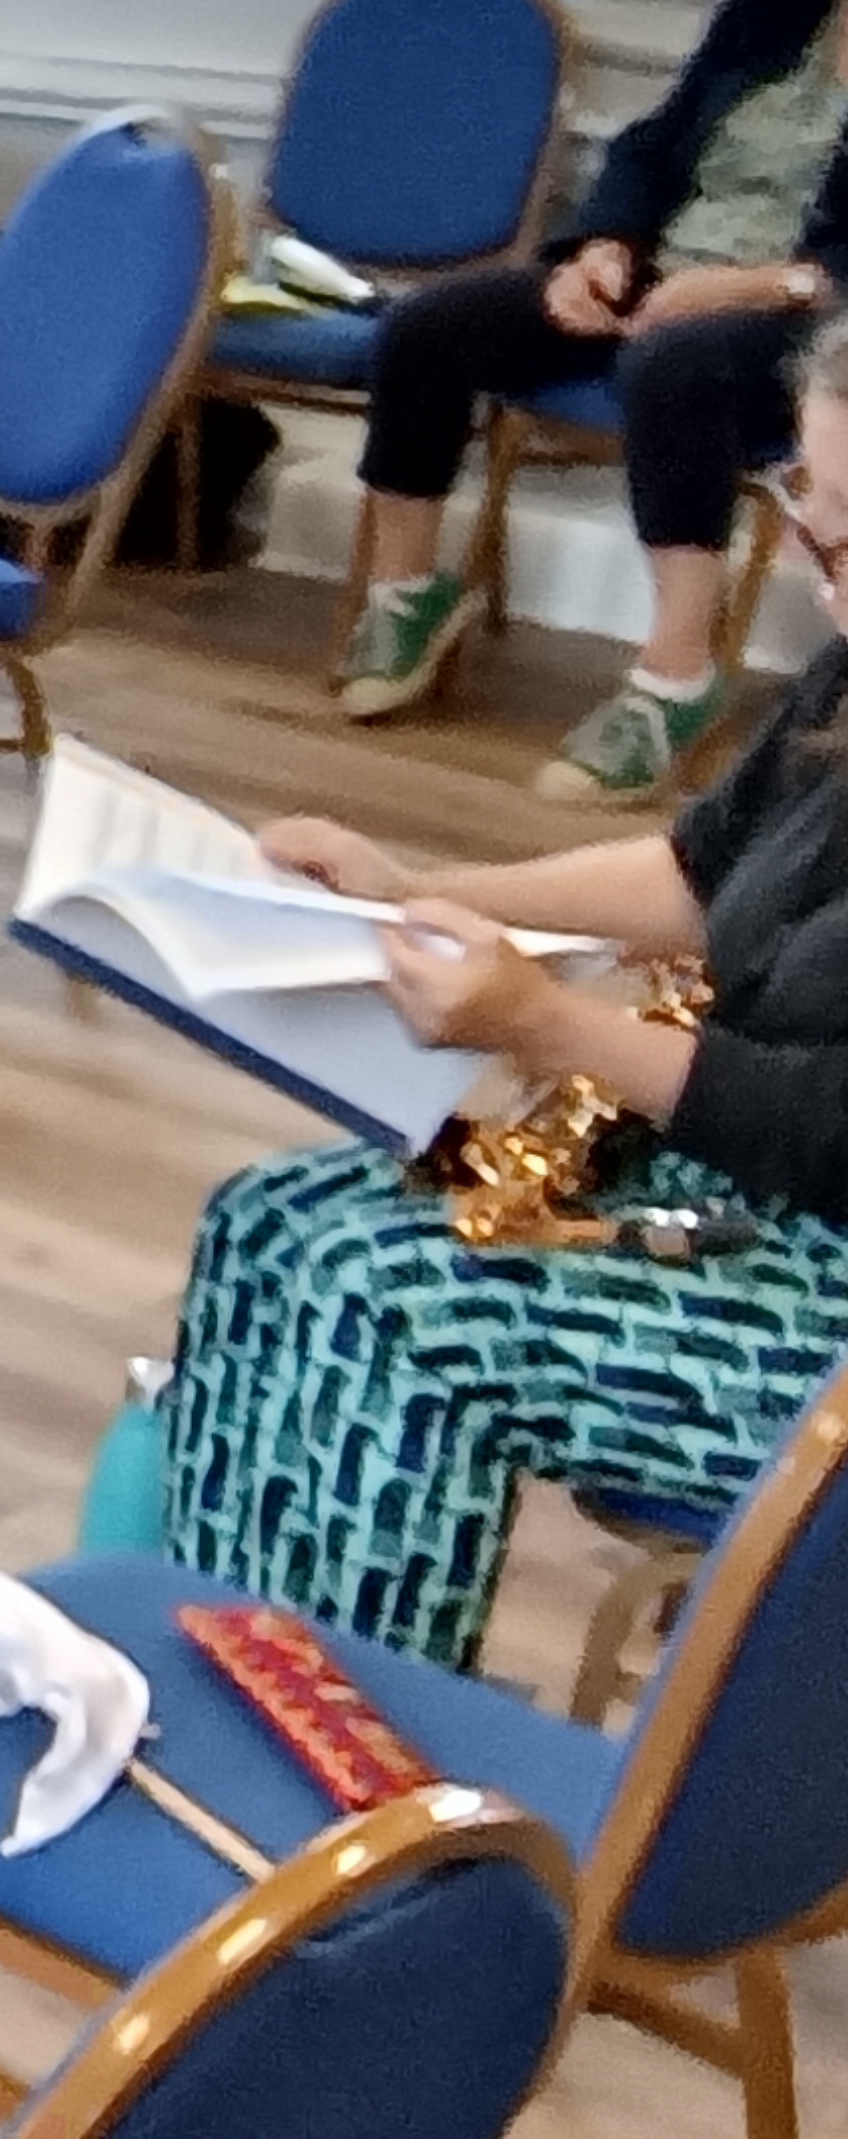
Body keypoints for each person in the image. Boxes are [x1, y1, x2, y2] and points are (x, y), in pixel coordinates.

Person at [175, 319, 848, 1666]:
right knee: (266, 1224)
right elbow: (695, 874)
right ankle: (219, 1700)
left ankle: (365, 1812)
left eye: (846, 536)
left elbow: (829, 1126)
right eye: (809, 504)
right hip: (746, 1200)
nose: (820, 567)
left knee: (392, 1309)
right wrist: (427, 888)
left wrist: (544, 1024)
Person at [325, 0, 848, 805]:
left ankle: (676, 678)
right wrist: (603, 247)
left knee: (676, 366)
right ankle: (405, 595)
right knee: (428, 326)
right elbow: (653, 143)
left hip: (810, 320)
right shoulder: (783, 3)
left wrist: (748, 286)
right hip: (666, 272)